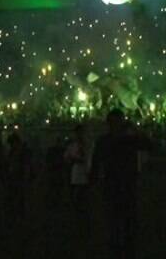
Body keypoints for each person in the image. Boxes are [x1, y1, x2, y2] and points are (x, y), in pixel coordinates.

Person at [90, 109, 153, 259]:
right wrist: (136, 129)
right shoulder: (129, 141)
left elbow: (95, 165)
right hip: (125, 186)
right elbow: (150, 145)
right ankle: (125, 251)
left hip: (114, 186)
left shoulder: (105, 141)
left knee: (115, 224)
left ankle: (117, 251)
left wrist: (93, 183)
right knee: (126, 224)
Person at [64, 124, 91, 226]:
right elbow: (66, 157)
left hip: (84, 171)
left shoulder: (87, 144)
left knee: (83, 195)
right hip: (76, 172)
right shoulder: (73, 145)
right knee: (77, 193)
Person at [7, 132, 33, 220]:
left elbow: (26, 165)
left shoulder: (20, 151)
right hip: (15, 175)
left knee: (19, 195)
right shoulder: (15, 151)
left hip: (19, 175)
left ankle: (19, 213)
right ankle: (18, 213)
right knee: (17, 195)